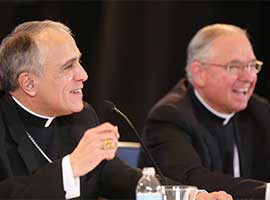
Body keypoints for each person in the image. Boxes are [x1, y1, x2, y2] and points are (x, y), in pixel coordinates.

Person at [0, 20, 232, 200]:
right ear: (29, 83)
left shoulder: (81, 117)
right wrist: (72, 167)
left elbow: (117, 176)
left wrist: (191, 195)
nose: (83, 75)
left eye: (79, 62)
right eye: (68, 66)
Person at [138, 23, 270, 200]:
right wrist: (266, 192)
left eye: (252, 65)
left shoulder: (259, 111)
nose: (248, 77)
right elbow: (191, 181)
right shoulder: (169, 117)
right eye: (234, 66)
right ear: (199, 73)